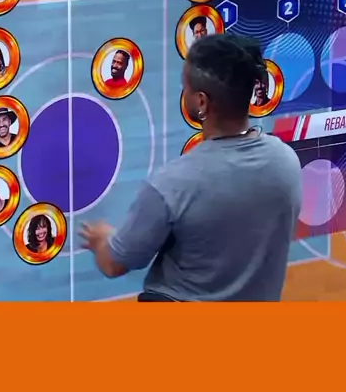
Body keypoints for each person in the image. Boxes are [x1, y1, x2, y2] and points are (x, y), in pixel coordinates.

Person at [80, 34, 302, 302]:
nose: (183, 91)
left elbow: (115, 263)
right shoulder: (287, 161)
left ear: (201, 102)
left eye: (185, 86)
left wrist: (101, 239)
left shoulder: (173, 184)